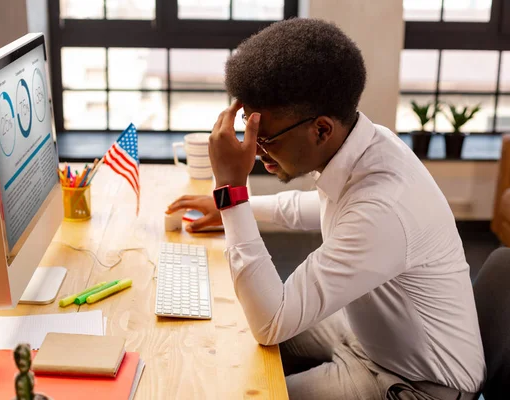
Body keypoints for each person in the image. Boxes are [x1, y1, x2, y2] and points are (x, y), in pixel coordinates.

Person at [167, 18, 485, 400]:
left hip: (417, 384)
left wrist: (231, 191)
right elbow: (315, 206)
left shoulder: (383, 207)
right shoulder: (368, 144)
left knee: (245, 389)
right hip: (369, 335)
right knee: (230, 337)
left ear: (321, 130)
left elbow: (272, 322)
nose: (255, 152)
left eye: (264, 138)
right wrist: (230, 206)